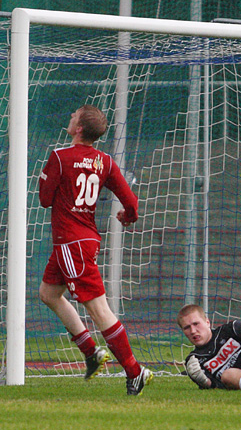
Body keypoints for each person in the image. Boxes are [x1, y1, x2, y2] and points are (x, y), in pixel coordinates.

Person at [38, 104, 152, 395]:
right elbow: (132, 204)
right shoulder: (105, 161)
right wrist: (127, 218)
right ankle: (91, 352)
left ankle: (134, 371)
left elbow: (44, 199)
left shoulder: (60, 157)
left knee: (99, 310)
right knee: (49, 294)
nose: (70, 116)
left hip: (70, 242)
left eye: (73, 115)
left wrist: (49, 177)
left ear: (78, 128)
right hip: (86, 239)